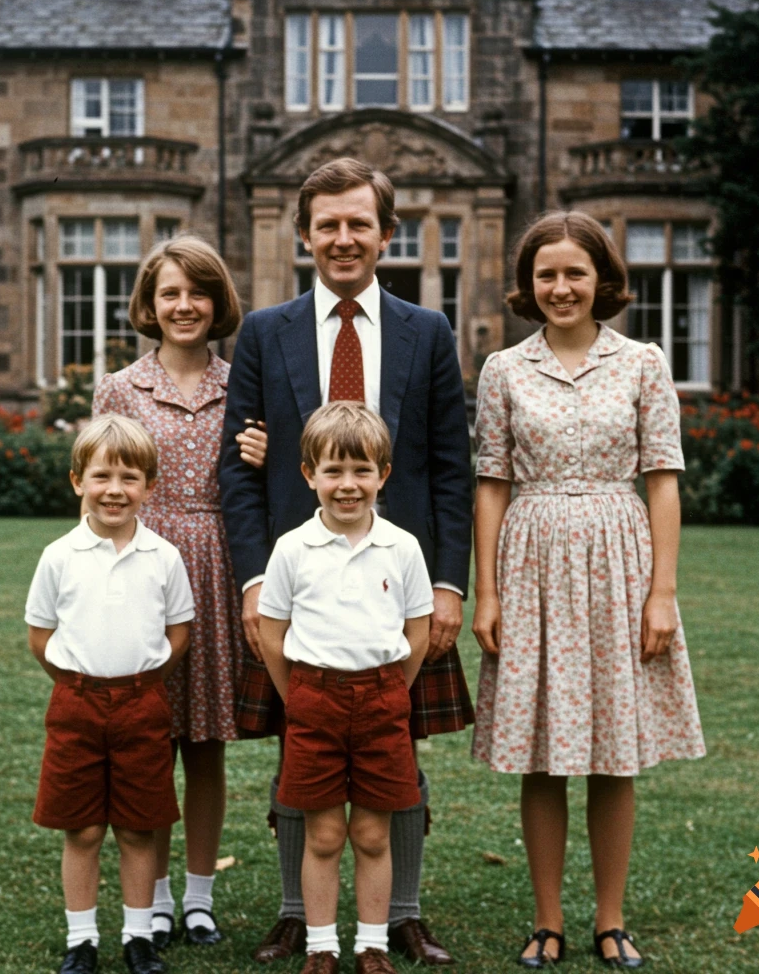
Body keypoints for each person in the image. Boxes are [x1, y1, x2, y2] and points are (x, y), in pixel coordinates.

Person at [220, 158, 473, 966]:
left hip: (399, 580)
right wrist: (258, 580)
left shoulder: (427, 330)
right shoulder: (264, 330)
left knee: (396, 750)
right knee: (303, 749)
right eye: (326, 224)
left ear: (386, 234)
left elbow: (447, 468)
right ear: (304, 234)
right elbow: (239, 466)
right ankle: (300, 914)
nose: (342, 238)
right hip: (300, 582)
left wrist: (446, 584)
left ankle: (402, 915)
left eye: (358, 223)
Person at [471, 211, 706, 969]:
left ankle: (610, 919)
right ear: (528, 285)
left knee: (614, 752)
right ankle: (548, 921)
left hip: (619, 559)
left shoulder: (642, 362)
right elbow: (491, 486)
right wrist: (488, 592)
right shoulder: (504, 370)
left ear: (602, 280)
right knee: (542, 752)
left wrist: (661, 593)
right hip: (531, 559)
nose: (561, 287)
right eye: (547, 275)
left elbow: (662, 481)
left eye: (575, 273)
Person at [92, 235, 266, 950]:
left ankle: (199, 897)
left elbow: (269, 482)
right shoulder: (121, 388)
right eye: (170, 293)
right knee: (145, 740)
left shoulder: (244, 384)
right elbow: (103, 488)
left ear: (217, 301)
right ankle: (153, 897)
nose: (184, 305)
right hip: (143, 567)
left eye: (198, 292)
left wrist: (265, 454)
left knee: (205, 743)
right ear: (150, 304)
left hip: (218, 564)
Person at [257, 402, 433, 974]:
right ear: (309, 474)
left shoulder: (402, 547)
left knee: (372, 833)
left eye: (361, 471)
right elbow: (271, 633)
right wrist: (300, 696)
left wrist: (391, 692)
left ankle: (372, 945)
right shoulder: (291, 548)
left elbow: (418, 631)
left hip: (383, 699)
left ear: (384, 474)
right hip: (313, 699)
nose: (347, 485)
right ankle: (321, 947)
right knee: (326, 834)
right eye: (333, 471)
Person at [26, 414, 194, 974]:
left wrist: (137, 684)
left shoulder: (164, 557)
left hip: (142, 704)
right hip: (76, 704)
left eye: (129, 478)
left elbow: (178, 634)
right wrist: (80, 684)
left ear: (149, 485)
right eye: (101, 477)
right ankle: (82, 940)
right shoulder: (59, 556)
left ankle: (138, 936)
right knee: (84, 826)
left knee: (139, 824)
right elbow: (41, 636)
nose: (115, 490)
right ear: (78, 482)